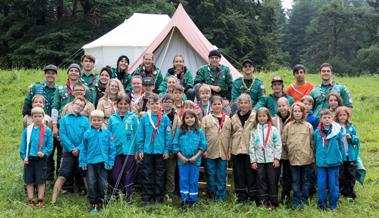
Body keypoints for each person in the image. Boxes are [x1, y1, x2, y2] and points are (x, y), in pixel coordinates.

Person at [22, 64, 58, 182]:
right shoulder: (36, 87)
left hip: (52, 124)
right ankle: (31, 176)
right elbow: (26, 106)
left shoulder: (59, 89)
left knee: (49, 150)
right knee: (34, 148)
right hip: (36, 123)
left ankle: (49, 177)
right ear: (44, 74)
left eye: (53, 73)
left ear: (56, 75)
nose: (50, 75)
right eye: (48, 73)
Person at [51, 96, 90, 203]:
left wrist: (79, 148)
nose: (79, 107)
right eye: (77, 104)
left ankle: (92, 199)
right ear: (72, 104)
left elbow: (86, 136)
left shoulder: (85, 120)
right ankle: (53, 201)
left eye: (81, 106)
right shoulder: (64, 119)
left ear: (83, 108)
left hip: (81, 153)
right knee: (62, 176)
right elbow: (62, 135)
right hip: (68, 152)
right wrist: (72, 148)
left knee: (85, 176)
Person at [136, 94, 172, 206]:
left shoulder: (165, 118)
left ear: (160, 104)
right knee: (146, 174)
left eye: (157, 103)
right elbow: (140, 135)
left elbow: (168, 135)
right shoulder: (144, 118)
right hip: (147, 151)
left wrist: (166, 150)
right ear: (148, 105)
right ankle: (146, 197)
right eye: (152, 103)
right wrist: (140, 149)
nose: (155, 106)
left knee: (159, 175)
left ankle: (158, 198)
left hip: (160, 152)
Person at [79, 110, 116, 214]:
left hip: (103, 162)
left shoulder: (107, 133)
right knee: (91, 183)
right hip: (90, 163)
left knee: (103, 183)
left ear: (102, 121)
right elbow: (83, 149)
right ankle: (93, 203)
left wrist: (110, 162)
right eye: (94, 120)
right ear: (90, 121)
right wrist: (82, 162)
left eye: (99, 120)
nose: (96, 122)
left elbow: (112, 149)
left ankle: (101, 202)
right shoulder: (87, 133)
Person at [282, 103, 314, 209]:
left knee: (305, 180)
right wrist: (290, 153)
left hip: (306, 159)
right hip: (293, 159)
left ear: (303, 113)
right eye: (295, 111)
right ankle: (296, 201)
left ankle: (304, 200)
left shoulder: (308, 126)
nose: (297, 113)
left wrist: (311, 155)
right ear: (292, 113)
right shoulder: (288, 127)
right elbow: (284, 142)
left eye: (299, 111)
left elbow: (312, 143)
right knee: (295, 181)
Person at [19, 107, 53, 207]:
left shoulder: (47, 130)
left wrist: (44, 152)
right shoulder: (27, 130)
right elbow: (23, 145)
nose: (37, 118)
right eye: (35, 116)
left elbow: (50, 145)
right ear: (32, 118)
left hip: (41, 159)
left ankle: (40, 200)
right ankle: (30, 200)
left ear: (43, 117)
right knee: (29, 180)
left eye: (40, 116)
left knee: (41, 180)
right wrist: (23, 156)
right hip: (29, 159)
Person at [172, 109, 207, 208]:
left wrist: (196, 157)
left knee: (193, 180)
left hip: (195, 161)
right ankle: (184, 200)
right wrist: (181, 157)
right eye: (187, 118)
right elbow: (175, 145)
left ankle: (192, 200)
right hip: (182, 161)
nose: (189, 120)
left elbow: (203, 145)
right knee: (183, 179)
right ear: (183, 119)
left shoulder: (199, 131)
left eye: (192, 117)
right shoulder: (180, 131)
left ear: (195, 119)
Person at [108, 94, 139, 201]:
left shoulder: (133, 117)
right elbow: (109, 134)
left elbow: (137, 134)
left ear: (129, 105)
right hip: (116, 150)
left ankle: (128, 193)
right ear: (117, 105)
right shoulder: (112, 118)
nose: (123, 106)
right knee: (116, 172)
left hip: (129, 150)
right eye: (120, 104)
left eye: (125, 104)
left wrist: (137, 150)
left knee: (128, 172)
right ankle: (117, 191)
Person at [249, 107, 282, 209]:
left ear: (268, 117)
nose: (262, 118)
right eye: (259, 116)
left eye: (264, 116)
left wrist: (277, 158)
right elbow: (251, 147)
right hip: (259, 161)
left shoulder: (273, 129)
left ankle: (272, 202)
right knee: (261, 180)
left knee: (272, 180)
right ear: (257, 118)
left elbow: (278, 144)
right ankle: (263, 202)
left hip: (271, 160)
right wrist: (253, 160)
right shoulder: (254, 130)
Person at [201, 95, 232, 201]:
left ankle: (221, 197)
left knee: (221, 175)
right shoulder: (205, 119)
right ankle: (212, 196)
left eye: (219, 104)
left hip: (223, 152)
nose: (217, 106)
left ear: (222, 105)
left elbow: (230, 137)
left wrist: (229, 151)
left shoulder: (228, 119)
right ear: (211, 105)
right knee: (210, 174)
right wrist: (203, 150)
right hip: (209, 152)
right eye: (214, 104)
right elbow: (202, 136)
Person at [314, 109, 344, 211]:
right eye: (324, 118)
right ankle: (321, 205)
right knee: (321, 185)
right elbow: (315, 146)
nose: (327, 120)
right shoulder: (317, 132)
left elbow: (341, 145)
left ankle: (333, 205)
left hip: (334, 163)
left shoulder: (337, 131)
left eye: (329, 117)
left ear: (332, 118)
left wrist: (339, 158)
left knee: (333, 185)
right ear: (321, 119)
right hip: (321, 163)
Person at [230, 94, 258, 203]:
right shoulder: (234, 117)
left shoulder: (254, 116)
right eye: (241, 103)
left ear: (250, 104)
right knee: (239, 173)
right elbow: (231, 133)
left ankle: (252, 195)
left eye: (246, 103)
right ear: (238, 104)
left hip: (250, 149)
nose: (243, 105)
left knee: (250, 173)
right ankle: (241, 196)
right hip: (237, 149)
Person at [335, 106, 360, 199]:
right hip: (340, 156)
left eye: (344, 115)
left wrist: (352, 138)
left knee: (351, 174)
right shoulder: (335, 127)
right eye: (340, 115)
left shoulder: (351, 127)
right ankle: (341, 192)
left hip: (350, 156)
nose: (342, 117)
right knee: (341, 175)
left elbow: (356, 141)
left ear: (347, 116)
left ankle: (350, 193)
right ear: (337, 116)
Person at [271, 97, 292, 204]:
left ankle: (285, 197)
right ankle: (274, 198)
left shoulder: (293, 118)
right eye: (280, 106)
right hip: (276, 153)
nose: (282, 108)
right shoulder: (273, 119)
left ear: (288, 106)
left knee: (287, 176)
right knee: (274, 176)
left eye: (284, 105)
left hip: (289, 153)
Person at [162, 94, 181, 201]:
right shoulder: (158, 115)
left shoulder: (176, 117)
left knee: (170, 172)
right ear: (162, 103)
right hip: (159, 149)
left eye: (169, 101)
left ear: (173, 103)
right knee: (160, 171)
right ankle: (160, 191)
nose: (167, 103)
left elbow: (178, 133)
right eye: (165, 101)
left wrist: (173, 149)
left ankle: (170, 192)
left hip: (171, 150)